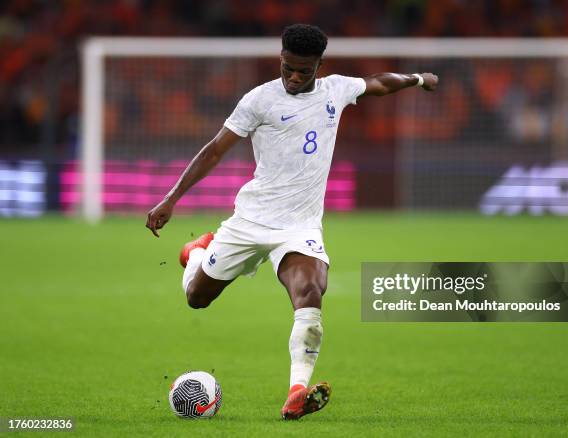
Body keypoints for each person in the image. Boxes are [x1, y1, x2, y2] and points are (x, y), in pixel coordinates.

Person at [146, 23, 438, 420]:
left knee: (311, 293)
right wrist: (171, 197)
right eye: (288, 68)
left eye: (305, 70)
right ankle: (197, 253)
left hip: (300, 227)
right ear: (279, 59)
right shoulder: (258, 100)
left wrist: (417, 78)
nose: (295, 77)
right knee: (197, 298)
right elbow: (215, 151)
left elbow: (378, 83)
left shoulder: (335, 88)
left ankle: (296, 391)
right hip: (250, 221)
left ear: (320, 65)